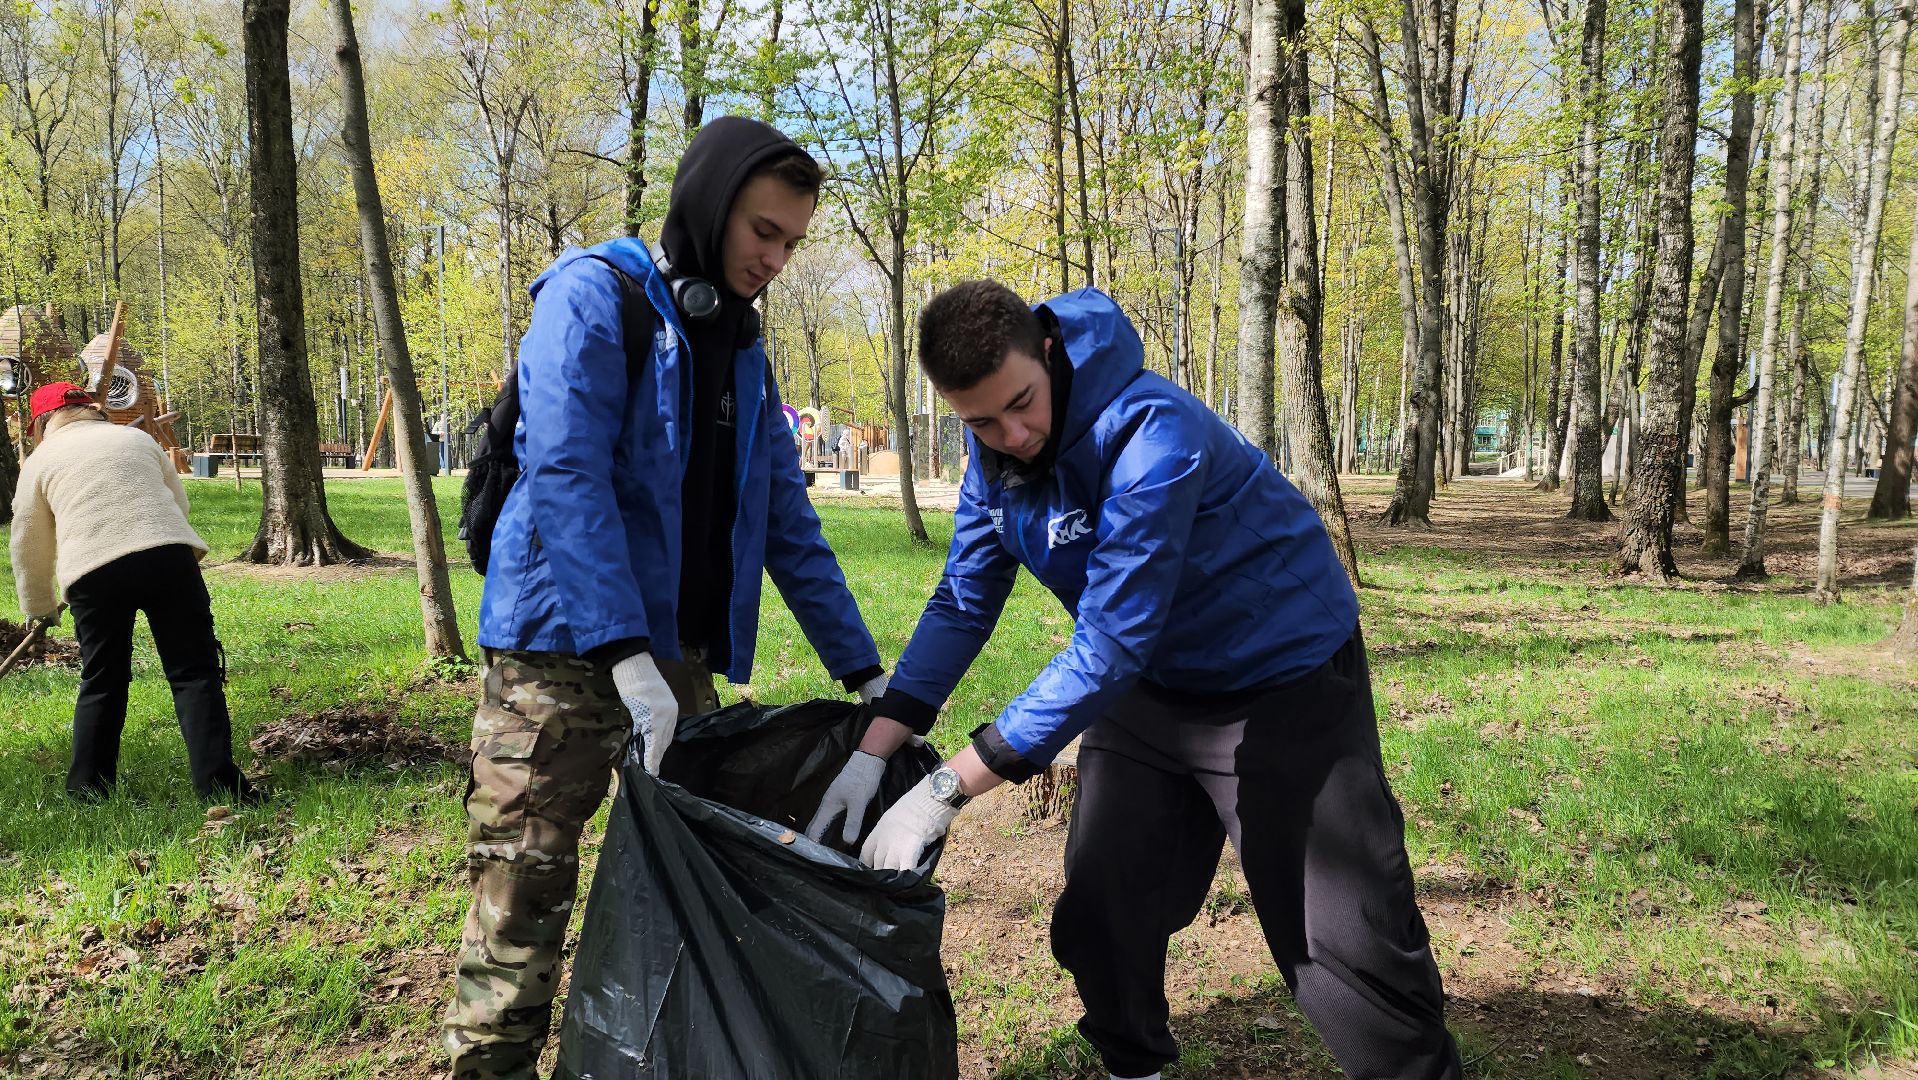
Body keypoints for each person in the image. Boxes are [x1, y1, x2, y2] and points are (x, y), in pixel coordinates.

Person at [806, 282, 1462, 1080]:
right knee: (1105, 909)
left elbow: (1111, 641)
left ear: (1048, 352)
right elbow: (962, 602)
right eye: (980, 422)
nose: (1012, 436)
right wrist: (873, 753)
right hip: (1150, 692)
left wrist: (945, 789)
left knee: (1341, 944)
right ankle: (1133, 1068)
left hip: (1282, 682)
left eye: (1022, 404)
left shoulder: (1154, 434)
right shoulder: (993, 460)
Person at [442, 117, 890, 1080]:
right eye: (762, 231)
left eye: (791, 243)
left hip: (675, 669)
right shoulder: (593, 299)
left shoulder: (742, 346)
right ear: (709, 202)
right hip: (559, 657)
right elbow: (565, 473)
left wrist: (864, 672)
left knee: (688, 900)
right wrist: (622, 649)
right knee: (521, 900)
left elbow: (784, 519)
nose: (774, 258)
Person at [9, 382, 254, 804]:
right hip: (168, 555)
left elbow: (28, 540)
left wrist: (40, 606)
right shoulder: (136, 439)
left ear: (41, 422)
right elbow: (177, 502)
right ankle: (219, 786)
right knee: (195, 673)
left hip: (93, 571)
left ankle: (89, 790)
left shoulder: (40, 460)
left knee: (103, 678)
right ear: (93, 409)